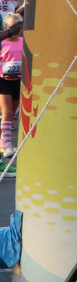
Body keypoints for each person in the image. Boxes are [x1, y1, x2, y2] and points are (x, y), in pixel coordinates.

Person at [1, 12, 23, 168]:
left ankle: (5, 138)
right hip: (3, 80)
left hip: (18, 80)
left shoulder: (24, 42)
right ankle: (6, 142)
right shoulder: (2, 43)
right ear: (5, 28)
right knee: (7, 112)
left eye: (17, 27)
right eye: (11, 28)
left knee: (13, 112)